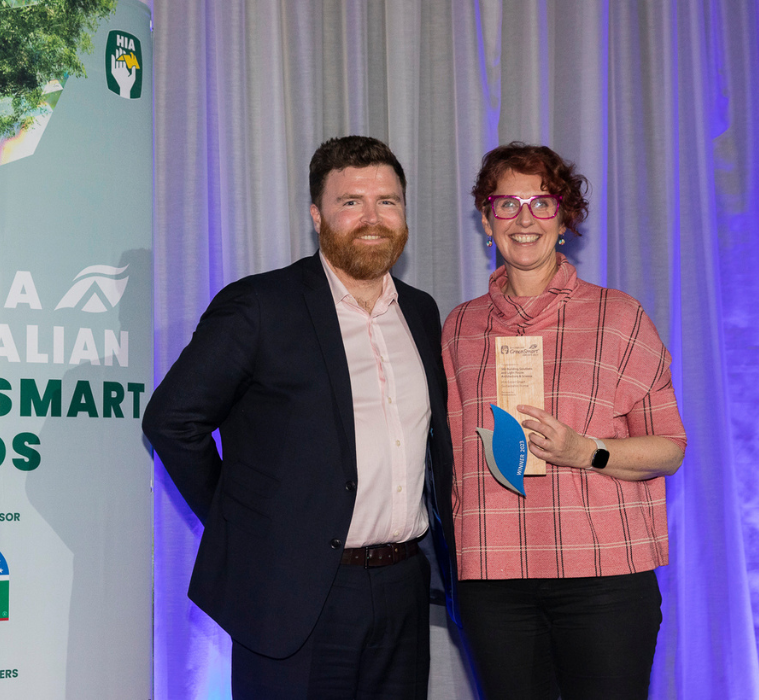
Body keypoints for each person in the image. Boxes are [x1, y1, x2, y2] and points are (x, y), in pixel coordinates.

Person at [143, 135, 457, 699]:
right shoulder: (260, 306)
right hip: (292, 594)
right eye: (350, 201)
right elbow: (171, 420)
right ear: (317, 215)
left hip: (403, 589)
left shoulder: (421, 311)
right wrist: (246, 525)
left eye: (387, 201)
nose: (372, 217)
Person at [441, 142, 686, 700]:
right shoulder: (458, 328)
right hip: (492, 579)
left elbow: (670, 448)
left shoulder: (619, 316)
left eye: (543, 203)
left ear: (565, 220)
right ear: (486, 219)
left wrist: (587, 452)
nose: (524, 218)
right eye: (506, 203)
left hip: (604, 579)